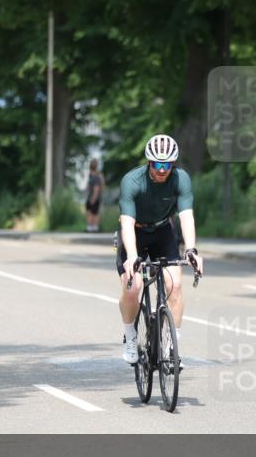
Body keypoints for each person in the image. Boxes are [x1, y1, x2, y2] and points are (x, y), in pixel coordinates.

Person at [117, 134, 204, 364]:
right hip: (134, 232)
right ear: (149, 162)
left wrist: (191, 250)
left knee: (175, 286)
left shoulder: (181, 179)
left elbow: (186, 216)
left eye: (167, 165)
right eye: (157, 164)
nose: (163, 170)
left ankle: (170, 347)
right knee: (133, 287)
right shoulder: (132, 181)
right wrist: (132, 256)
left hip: (163, 231)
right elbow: (126, 223)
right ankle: (130, 336)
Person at [85, 158, 104, 233]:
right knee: (92, 212)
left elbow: (96, 188)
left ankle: (93, 228)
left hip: (93, 197)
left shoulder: (95, 176)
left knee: (93, 213)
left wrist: (94, 198)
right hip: (93, 197)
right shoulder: (94, 175)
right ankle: (92, 227)